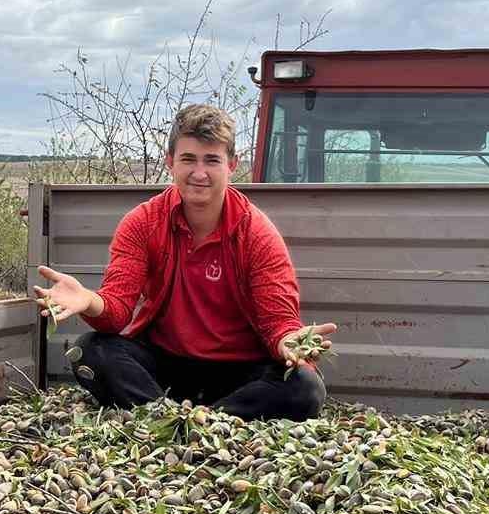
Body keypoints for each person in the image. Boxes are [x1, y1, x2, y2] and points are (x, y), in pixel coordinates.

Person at [33, 103, 336, 420]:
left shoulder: (257, 234)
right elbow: (117, 312)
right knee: (90, 351)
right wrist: (89, 301)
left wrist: (290, 340)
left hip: (239, 374)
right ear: (171, 163)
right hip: (165, 367)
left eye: (212, 160)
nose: (199, 173)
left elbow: (279, 321)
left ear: (232, 164)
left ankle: (202, 421)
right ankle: (169, 418)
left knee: (305, 387)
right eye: (188, 159)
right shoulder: (143, 222)